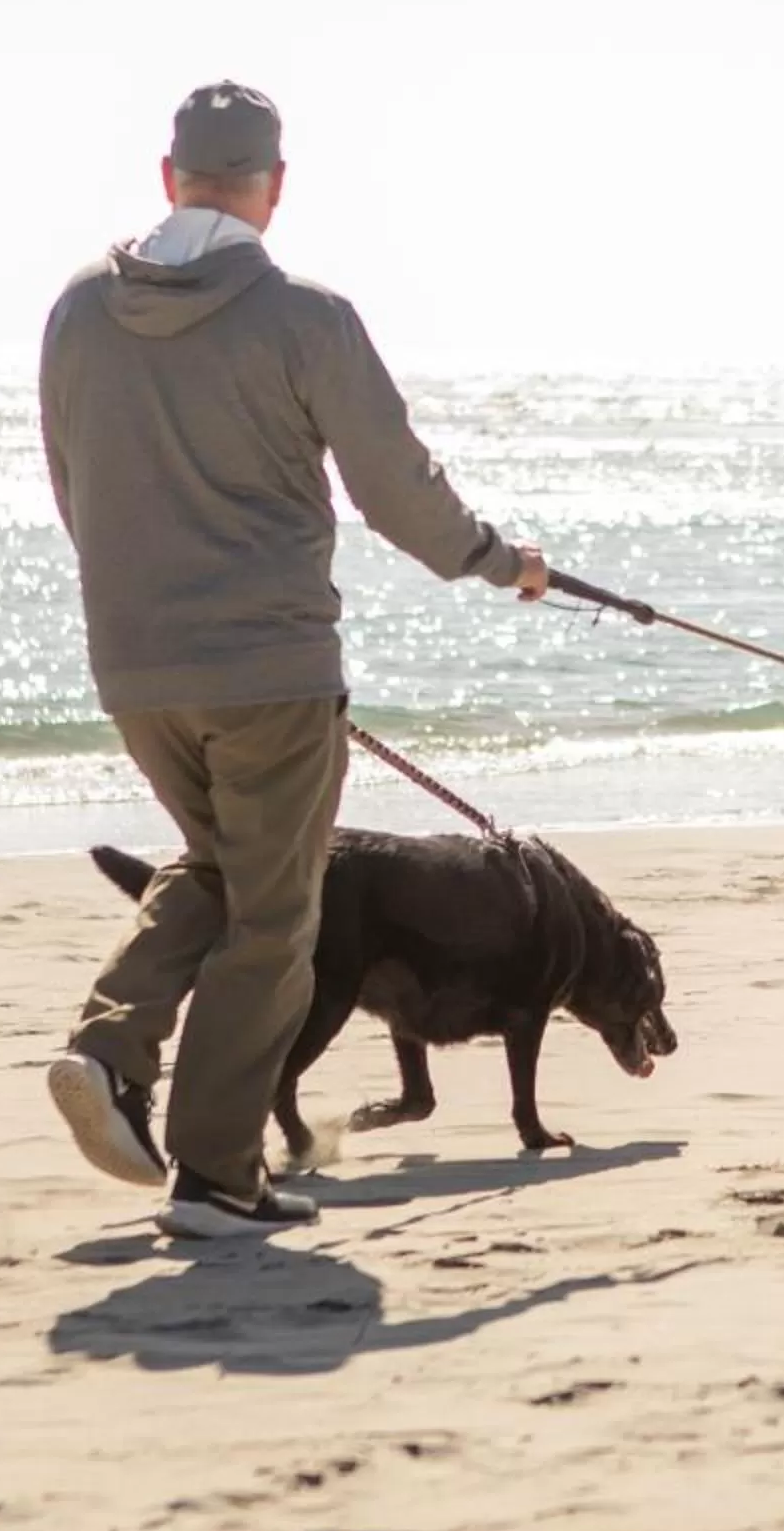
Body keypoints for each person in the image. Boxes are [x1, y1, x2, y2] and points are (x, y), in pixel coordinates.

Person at [39, 82, 549, 1238]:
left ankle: (113, 1052)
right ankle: (214, 1172)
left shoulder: (76, 311)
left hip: (135, 663)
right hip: (268, 666)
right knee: (277, 919)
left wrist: (144, 611)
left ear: (170, 177)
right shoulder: (305, 318)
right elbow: (397, 492)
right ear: (273, 188)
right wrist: (497, 559)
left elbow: (75, 485)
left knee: (223, 868)